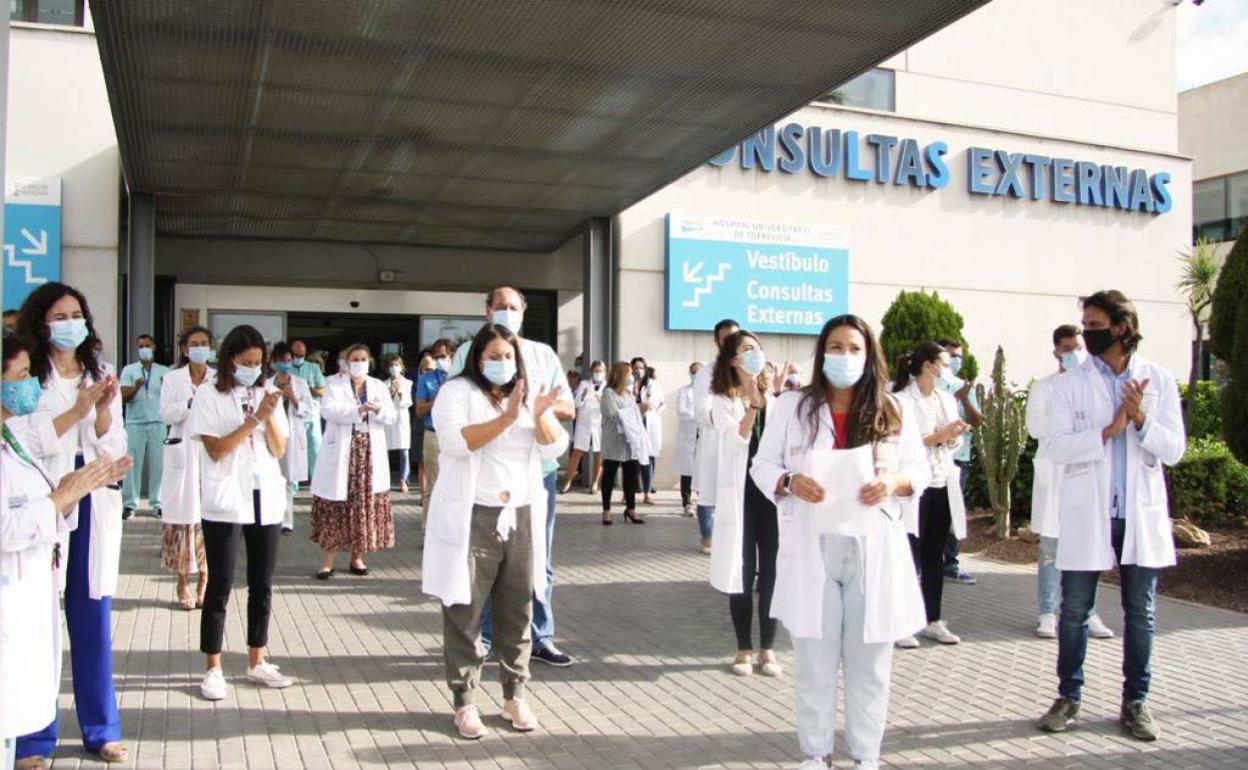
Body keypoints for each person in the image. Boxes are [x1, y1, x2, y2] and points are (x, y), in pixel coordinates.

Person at [752, 315, 929, 770]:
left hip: (873, 548)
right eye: (835, 347)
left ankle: (866, 756)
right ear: (821, 353)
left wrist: (892, 481)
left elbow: (920, 471)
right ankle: (816, 754)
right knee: (814, 662)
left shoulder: (892, 409)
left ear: (869, 355)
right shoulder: (792, 406)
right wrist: (790, 481)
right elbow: (762, 465)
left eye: (854, 348)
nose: (844, 356)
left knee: (869, 665)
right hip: (814, 546)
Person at [1037, 290, 1185, 742]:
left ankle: (1136, 702)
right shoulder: (1070, 384)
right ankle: (1068, 697)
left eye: (1096, 324)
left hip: (1138, 514)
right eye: (1085, 324)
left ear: (1121, 327)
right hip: (1090, 512)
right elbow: (1055, 446)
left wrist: (1140, 421)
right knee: (1075, 611)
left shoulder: (1157, 380)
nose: (1087, 332)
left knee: (1140, 614)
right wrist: (1109, 429)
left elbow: (1174, 450)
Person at [421, 323, 567, 739]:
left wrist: (537, 414)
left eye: (508, 356)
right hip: (473, 515)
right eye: (494, 356)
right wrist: (505, 418)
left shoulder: (527, 392)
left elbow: (553, 447)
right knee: (465, 610)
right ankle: (465, 701)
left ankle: (514, 695)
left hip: (520, 513)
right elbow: (456, 442)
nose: (502, 363)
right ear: (477, 358)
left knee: (517, 609)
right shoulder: (457, 392)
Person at [1, 333, 131, 770]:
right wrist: (63, 496)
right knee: (28, 643)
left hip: (68, 518)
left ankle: (100, 729)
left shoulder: (11, 431)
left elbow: (112, 445)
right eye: (19, 377)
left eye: (76, 316)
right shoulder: (29, 406)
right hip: (34, 537)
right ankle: (30, 739)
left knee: (81, 622)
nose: (27, 387)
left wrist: (79, 487)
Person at [450, 287, 575, 667]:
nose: (506, 312)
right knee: (485, 563)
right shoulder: (466, 352)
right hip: (486, 477)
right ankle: (486, 637)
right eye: (500, 306)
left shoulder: (542, 354)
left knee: (539, 559)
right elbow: (456, 406)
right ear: (487, 311)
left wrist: (539, 410)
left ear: (523, 312)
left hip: (537, 474)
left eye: (513, 307)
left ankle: (539, 637)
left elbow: (567, 405)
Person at [187, 324, 293, 701]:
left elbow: (279, 449)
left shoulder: (267, 393)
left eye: (258, 362)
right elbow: (216, 449)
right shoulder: (209, 394)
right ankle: (213, 667)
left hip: (264, 495)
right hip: (226, 499)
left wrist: (267, 418)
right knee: (220, 585)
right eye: (247, 362)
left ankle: (257, 659)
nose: (253, 368)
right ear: (230, 359)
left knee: (262, 584)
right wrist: (252, 420)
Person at [1026, 325, 1113, 640]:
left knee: (1087, 543)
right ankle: (1048, 611)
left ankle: (1086, 612)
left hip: (1087, 471)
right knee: (1051, 546)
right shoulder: (1044, 388)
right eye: (1067, 348)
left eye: (1078, 346)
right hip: (1055, 470)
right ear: (1056, 352)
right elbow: (1036, 427)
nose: (1074, 353)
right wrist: (1067, 417)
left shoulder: (1094, 385)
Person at [706, 330, 783, 678]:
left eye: (758, 348)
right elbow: (733, 443)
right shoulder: (722, 400)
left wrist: (768, 398)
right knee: (741, 570)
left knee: (772, 571)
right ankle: (743, 648)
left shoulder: (777, 399)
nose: (754, 354)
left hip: (772, 498)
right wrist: (751, 406)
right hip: (740, 497)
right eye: (746, 350)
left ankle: (767, 647)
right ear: (733, 360)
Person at [891, 342, 968, 648]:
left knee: (935, 553)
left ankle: (932, 618)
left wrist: (952, 438)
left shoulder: (946, 400)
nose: (949, 370)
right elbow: (899, 444)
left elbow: (953, 444)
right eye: (945, 363)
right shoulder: (899, 400)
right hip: (913, 485)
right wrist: (939, 436)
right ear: (928, 366)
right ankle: (901, 621)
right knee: (909, 551)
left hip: (941, 480)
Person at [310, 344, 396, 578]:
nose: (359, 363)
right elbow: (328, 411)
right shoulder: (333, 383)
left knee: (362, 505)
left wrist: (377, 409)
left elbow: (391, 415)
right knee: (336, 506)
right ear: (347, 362)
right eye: (355, 359)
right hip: (342, 451)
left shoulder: (378, 385)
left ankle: (357, 558)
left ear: (370, 362)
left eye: (363, 359)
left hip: (369, 453)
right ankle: (327, 561)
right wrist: (357, 410)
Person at [157, 326, 215, 609]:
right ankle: (182, 583)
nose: (200, 348)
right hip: (182, 451)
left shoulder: (219, 379)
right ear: (184, 349)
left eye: (205, 343)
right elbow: (165, 413)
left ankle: (205, 581)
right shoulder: (172, 379)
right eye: (195, 343)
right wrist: (190, 402)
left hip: (210, 452)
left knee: (209, 521)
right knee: (183, 522)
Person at [692, 319, 741, 553]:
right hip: (716, 442)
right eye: (726, 339)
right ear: (717, 341)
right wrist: (723, 415)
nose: (732, 343)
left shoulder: (745, 368)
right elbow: (701, 412)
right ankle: (708, 537)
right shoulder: (706, 373)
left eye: (736, 338)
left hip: (743, 443)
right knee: (710, 491)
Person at [937, 339, 982, 586]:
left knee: (953, 511)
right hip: (933, 458)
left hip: (958, 458)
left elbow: (977, 420)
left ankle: (951, 563)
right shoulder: (929, 384)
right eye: (951, 355)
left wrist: (964, 398)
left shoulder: (963, 386)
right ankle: (924, 562)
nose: (956, 360)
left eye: (959, 356)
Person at [119, 333, 170, 520]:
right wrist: (136, 387)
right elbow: (123, 398)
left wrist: (166, 387)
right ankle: (130, 504)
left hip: (158, 422)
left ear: (154, 347)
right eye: (141, 346)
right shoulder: (129, 370)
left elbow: (171, 397)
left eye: (148, 345)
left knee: (159, 464)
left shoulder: (164, 371)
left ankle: (158, 503)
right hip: (135, 422)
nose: (145, 349)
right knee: (132, 465)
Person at [268, 342, 312, 535]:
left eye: (288, 360)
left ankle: (286, 521)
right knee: (270, 477)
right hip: (272, 434)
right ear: (273, 362)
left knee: (286, 479)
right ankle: (271, 517)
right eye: (281, 361)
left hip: (291, 435)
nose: (285, 364)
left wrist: (293, 397)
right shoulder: (266, 384)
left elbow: (308, 409)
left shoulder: (300, 383)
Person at [599, 362, 649, 526]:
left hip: (629, 441)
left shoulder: (628, 394)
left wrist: (637, 413)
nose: (631, 378)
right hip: (614, 440)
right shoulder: (608, 393)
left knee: (631, 476)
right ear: (620, 376)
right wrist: (635, 412)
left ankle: (631, 509)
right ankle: (606, 511)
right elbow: (613, 414)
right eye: (628, 375)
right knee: (609, 476)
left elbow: (633, 416)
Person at [417, 339, 454, 517]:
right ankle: (427, 529)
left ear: (452, 356)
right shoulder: (427, 378)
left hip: (458, 434)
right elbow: (420, 409)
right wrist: (436, 398)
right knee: (433, 483)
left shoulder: (463, 378)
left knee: (457, 484)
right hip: (433, 435)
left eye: (443, 356)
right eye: (436, 357)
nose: (439, 360)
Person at [561, 359, 605, 494]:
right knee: (577, 453)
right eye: (596, 371)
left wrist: (602, 401)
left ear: (605, 372)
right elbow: (575, 404)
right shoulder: (584, 384)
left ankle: (595, 483)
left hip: (599, 424)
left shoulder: (607, 386)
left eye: (600, 371)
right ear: (591, 371)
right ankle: (567, 481)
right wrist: (583, 396)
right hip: (584, 424)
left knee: (599, 453)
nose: (598, 373)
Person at [289, 340, 326, 488]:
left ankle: (318, 485)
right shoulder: (286, 369)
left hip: (312, 415)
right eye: (295, 355)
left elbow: (322, 390)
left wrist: (308, 388)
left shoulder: (313, 368)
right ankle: (293, 485)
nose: (298, 357)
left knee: (315, 449)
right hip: (293, 415)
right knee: (294, 450)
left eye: (301, 354)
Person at [383, 355, 414, 494]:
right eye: (391, 365)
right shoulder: (384, 384)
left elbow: (408, 402)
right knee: (386, 450)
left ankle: (403, 479)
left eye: (396, 365)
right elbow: (382, 403)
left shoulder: (408, 383)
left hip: (401, 417)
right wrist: (390, 393)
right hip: (389, 418)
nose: (394, 368)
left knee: (404, 450)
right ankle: (384, 480)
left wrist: (400, 392)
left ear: (401, 367)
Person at [675, 362, 701, 516]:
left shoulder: (709, 392)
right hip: (689, 435)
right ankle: (687, 502)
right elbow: (681, 411)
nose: (695, 375)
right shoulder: (684, 391)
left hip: (704, 436)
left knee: (702, 470)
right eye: (693, 372)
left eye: (698, 372)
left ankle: (702, 502)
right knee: (687, 471)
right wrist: (698, 417)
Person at [639, 363, 664, 504]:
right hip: (636, 423)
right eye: (635, 368)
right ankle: (628, 491)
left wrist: (650, 407)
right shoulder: (631, 384)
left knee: (649, 457)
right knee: (633, 460)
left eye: (640, 368)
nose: (638, 371)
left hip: (650, 423)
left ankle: (647, 491)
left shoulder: (654, 386)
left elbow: (660, 403)